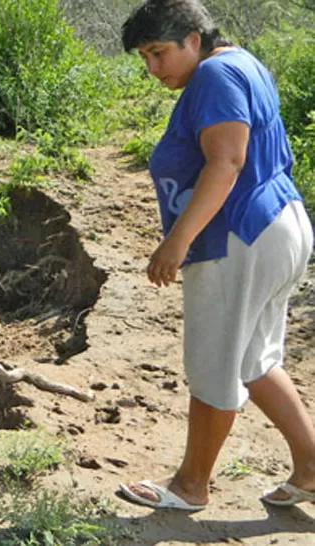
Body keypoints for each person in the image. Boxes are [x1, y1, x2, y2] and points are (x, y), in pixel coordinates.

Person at [117, 0, 315, 511]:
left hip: (239, 236)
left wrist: (177, 241)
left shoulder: (213, 75)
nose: (152, 69)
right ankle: (313, 466)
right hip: (274, 224)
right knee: (254, 359)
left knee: (214, 364)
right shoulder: (240, 63)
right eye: (144, 57)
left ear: (193, 39)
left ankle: (190, 486)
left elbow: (226, 162)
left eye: (158, 53)